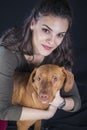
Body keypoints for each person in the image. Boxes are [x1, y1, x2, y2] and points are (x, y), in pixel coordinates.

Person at [0, 0, 81, 130]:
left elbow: (76, 102)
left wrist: (60, 102)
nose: (52, 42)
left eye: (60, 35)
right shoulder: (8, 53)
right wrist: (47, 114)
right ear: (33, 23)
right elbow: (2, 112)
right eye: (46, 30)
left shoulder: (58, 56)